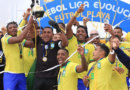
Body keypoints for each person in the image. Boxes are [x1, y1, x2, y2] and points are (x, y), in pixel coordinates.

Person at [1, 8, 34, 90]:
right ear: (7, 31)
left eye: (14, 27)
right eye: (10, 28)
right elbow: (19, 39)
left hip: (21, 74)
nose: (13, 29)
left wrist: (26, 16)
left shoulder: (18, 36)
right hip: (10, 74)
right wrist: (29, 25)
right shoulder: (5, 38)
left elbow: (32, 44)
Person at [30, 20, 68, 90]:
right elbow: (32, 31)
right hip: (39, 77)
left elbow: (65, 43)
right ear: (42, 34)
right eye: (44, 32)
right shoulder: (38, 42)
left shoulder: (56, 43)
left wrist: (58, 29)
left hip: (52, 77)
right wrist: (32, 19)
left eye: (49, 32)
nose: (46, 34)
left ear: (53, 34)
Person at [66, 4, 95, 90]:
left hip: (84, 78)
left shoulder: (90, 46)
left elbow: (92, 63)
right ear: (76, 33)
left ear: (86, 34)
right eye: (78, 31)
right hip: (71, 77)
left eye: (83, 31)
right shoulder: (71, 40)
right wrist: (77, 12)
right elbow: (68, 27)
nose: (80, 33)